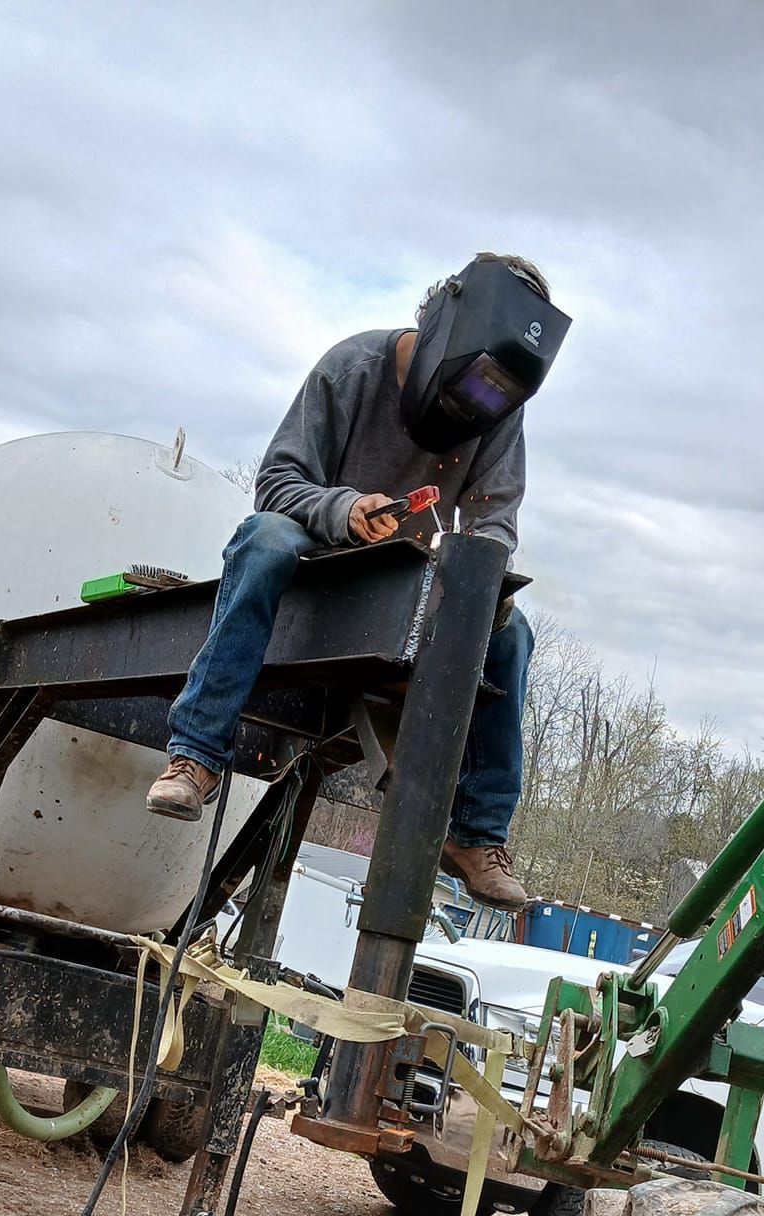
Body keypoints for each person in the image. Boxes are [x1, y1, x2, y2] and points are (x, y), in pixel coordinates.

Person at [146, 254, 561, 910]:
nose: (468, 414)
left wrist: (471, 577)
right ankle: (196, 756)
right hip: (315, 575)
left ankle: (476, 835)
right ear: (433, 332)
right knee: (264, 536)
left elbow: (495, 524)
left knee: (512, 634)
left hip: (407, 591)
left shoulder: (500, 413)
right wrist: (344, 510)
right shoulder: (352, 369)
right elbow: (277, 483)